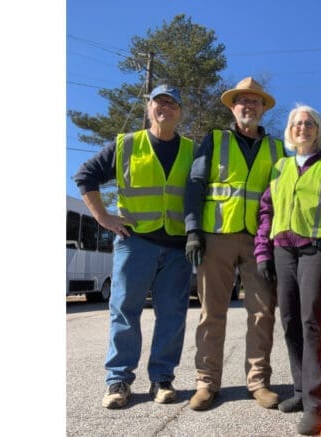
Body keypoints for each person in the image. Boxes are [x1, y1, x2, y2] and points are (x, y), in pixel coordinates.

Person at [72, 85, 195, 409]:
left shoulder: (192, 150)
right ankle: (118, 382)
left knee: (172, 314)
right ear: (149, 107)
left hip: (178, 247)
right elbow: (85, 176)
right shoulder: (127, 144)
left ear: (180, 112)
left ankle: (162, 379)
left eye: (172, 103)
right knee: (125, 311)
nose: (165, 108)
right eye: (159, 102)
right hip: (135, 242)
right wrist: (103, 217)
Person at [255, 104, 321, 435]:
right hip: (283, 250)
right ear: (290, 131)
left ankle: (319, 405)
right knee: (289, 320)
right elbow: (266, 211)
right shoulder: (280, 167)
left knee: (312, 323)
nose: (302, 127)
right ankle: (301, 392)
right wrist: (262, 250)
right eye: (296, 123)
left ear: (318, 130)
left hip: (319, 248)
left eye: (308, 123)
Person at [183, 77, 286, 411]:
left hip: (260, 241)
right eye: (242, 100)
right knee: (212, 313)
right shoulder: (213, 140)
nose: (248, 106)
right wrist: (193, 229)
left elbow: (283, 196)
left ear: (262, 109)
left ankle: (258, 381)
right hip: (216, 238)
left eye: (255, 102)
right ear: (232, 106)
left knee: (262, 313)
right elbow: (196, 183)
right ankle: (206, 382)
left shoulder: (276, 148)